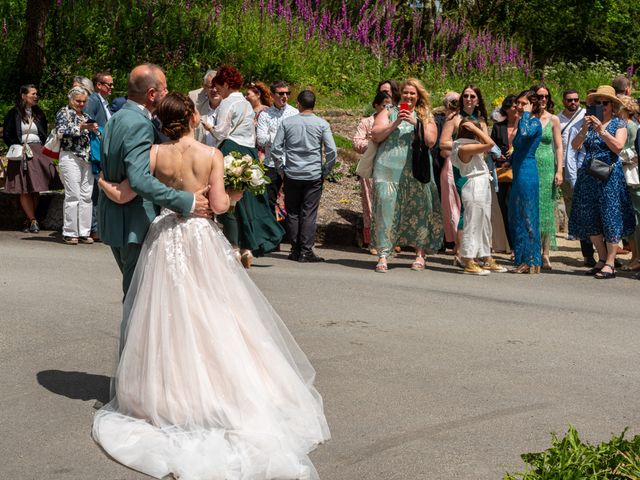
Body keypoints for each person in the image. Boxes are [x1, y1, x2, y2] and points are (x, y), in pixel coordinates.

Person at [92, 92, 330, 480]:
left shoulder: (153, 154)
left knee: (164, 314)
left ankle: (162, 392)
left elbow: (131, 189)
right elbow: (218, 206)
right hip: (201, 238)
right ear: (190, 118)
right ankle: (215, 386)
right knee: (213, 311)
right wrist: (236, 192)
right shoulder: (211, 155)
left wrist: (105, 185)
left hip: (164, 236)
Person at [98, 63, 209, 296]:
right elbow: (139, 179)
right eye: (164, 89)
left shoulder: (115, 118)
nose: (167, 93)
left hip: (114, 220)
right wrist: (185, 200)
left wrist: (107, 186)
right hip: (134, 223)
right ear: (151, 94)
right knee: (138, 298)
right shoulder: (139, 123)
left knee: (135, 294)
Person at [212, 65, 285, 268]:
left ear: (226, 84)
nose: (217, 90)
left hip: (231, 149)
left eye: (218, 86)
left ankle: (234, 247)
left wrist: (206, 125)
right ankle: (248, 247)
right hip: (249, 151)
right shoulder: (245, 103)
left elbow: (221, 132)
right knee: (248, 201)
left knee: (228, 201)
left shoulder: (227, 103)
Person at [370, 78, 443, 272]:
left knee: (420, 209)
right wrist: (396, 122)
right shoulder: (389, 111)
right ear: (400, 94)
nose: (408, 96)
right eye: (405, 93)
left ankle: (420, 254)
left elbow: (431, 141)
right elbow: (376, 134)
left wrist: (416, 122)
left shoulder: (424, 115)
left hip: (416, 171)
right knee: (385, 209)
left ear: (418, 96)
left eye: (412, 93)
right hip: (387, 170)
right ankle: (383, 255)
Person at [569, 85, 635, 279]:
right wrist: (584, 128)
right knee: (591, 218)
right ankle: (602, 258)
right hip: (588, 176)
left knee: (610, 217)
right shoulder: (588, 124)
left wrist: (601, 131)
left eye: (604, 103)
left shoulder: (619, 124)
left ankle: (611, 263)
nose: (600, 106)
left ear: (612, 105)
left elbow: (618, 148)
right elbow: (575, 146)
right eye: (597, 103)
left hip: (609, 177)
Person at [271, 90, 337, 262]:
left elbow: (276, 149)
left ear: (298, 104)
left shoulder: (287, 123)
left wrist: (281, 169)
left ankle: (295, 249)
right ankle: (306, 251)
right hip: (313, 174)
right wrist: (325, 170)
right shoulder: (322, 124)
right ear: (314, 105)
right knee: (309, 212)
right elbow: (332, 151)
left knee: (292, 211)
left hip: (292, 173)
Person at [2, 84, 62, 233]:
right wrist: (17, 145)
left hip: (38, 151)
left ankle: (29, 219)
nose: (36, 96)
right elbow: (7, 134)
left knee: (36, 188)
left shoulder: (39, 113)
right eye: (33, 94)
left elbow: (44, 133)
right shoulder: (13, 113)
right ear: (23, 96)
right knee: (24, 188)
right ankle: (33, 220)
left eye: (37, 94)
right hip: (21, 151)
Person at [451, 119, 507, 275]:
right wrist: (479, 130)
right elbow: (491, 145)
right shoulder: (463, 146)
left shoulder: (468, 144)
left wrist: (477, 130)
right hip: (474, 184)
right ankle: (468, 259)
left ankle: (485, 256)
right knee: (472, 223)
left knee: (484, 223)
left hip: (482, 183)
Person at [55, 87, 99, 245]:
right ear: (70, 99)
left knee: (87, 196)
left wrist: (95, 130)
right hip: (70, 156)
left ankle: (84, 232)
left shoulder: (87, 116)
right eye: (78, 101)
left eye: (84, 101)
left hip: (87, 159)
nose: (81, 104)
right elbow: (59, 132)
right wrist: (81, 128)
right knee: (73, 194)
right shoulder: (64, 112)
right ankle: (70, 232)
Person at [352, 91, 392, 253]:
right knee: (370, 204)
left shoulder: (394, 120)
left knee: (388, 203)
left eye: (390, 105)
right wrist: (373, 144)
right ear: (376, 105)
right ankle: (372, 240)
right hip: (371, 168)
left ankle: (389, 238)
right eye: (384, 105)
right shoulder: (367, 122)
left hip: (390, 168)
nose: (387, 108)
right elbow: (356, 142)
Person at [509, 90, 543, 274]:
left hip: (528, 172)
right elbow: (518, 147)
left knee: (528, 215)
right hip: (518, 169)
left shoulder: (533, 122)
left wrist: (527, 113)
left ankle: (532, 260)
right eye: (519, 103)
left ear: (532, 104)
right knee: (517, 215)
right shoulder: (524, 121)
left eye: (523, 103)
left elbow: (525, 132)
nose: (519, 107)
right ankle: (522, 257)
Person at [530, 83, 563, 269]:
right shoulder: (527, 117)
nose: (543, 99)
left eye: (545, 96)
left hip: (548, 166)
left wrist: (559, 170)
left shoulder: (554, 119)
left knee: (546, 209)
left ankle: (545, 253)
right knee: (531, 207)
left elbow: (559, 146)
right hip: (530, 164)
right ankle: (532, 249)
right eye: (539, 96)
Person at [256, 80, 299, 216]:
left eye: (287, 93)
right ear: (272, 95)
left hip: (290, 163)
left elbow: (296, 139)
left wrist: (272, 137)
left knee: (291, 201)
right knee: (268, 200)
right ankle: (272, 232)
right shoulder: (265, 114)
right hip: (271, 163)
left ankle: (287, 232)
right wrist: (280, 136)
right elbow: (261, 140)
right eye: (281, 93)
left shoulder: (294, 113)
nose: (285, 96)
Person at [84, 71, 114, 241]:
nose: (111, 87)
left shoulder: (104, 102)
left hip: (102, 149)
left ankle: (97, 227)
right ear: (99, 86)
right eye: (108, 84)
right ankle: (94, 228)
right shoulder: (94, 101)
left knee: (98, 188)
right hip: (96, 150)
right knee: (96, 188)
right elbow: (89, 123)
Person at [613, 96, 640, 272]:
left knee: (635, 217)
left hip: (631, 174)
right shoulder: (624, 123)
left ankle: (637, 257)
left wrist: (616, 156)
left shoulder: (630, 125)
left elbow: (633, 151)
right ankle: (634, 256)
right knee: (630, 217)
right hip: (625, 172)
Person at [490, 94, 518, 251]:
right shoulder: (498, 127)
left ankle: (515, 244)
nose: (515, 108)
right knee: (504, 207)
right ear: (506, 109)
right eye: (512, 105)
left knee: (517, 208)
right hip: (501, 171)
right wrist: (498, 155)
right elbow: (492, 147)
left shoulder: (524, 126)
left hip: (520, 170)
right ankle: (509, 245)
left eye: (517, 105)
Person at [245, 81, 273, 161]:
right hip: (248, 148)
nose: (245, 97)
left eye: (248, 94)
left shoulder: (266, 111)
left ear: (258, 95)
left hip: (261, 152)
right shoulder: (246, 110)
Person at [191, 69, 217, 144]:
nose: (214, 90)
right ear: (205, 87)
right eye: (211, 86)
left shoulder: (229, 106)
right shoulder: (195, 101)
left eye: (217, 86)